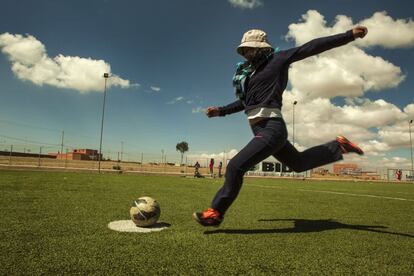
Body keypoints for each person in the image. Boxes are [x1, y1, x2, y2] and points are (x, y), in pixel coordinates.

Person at [193, 26, 368, 226]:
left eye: (250, 48)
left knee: (235, 166)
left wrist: (349, 35)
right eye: (245, 50)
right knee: (299, 164)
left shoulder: (279, 59)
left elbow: (311, 47)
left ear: (262, 48)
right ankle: (338, 146)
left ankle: (216, 212)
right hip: (263, 130)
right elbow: (245, 103)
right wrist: (220, 111)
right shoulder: (249, 76)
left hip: (272, 128)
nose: (247, 53)